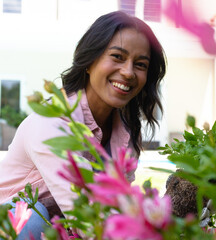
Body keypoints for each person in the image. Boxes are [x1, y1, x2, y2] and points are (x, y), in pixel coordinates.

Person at [0, 10, 166, 239]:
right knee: (33, 212)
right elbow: (85, 217)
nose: (128, 72)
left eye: (140, 64)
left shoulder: (127, 135)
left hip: (60, 231)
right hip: (12, 226)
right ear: (89, 61)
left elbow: (120, 206)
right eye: (117, 56)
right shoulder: (50, 122)